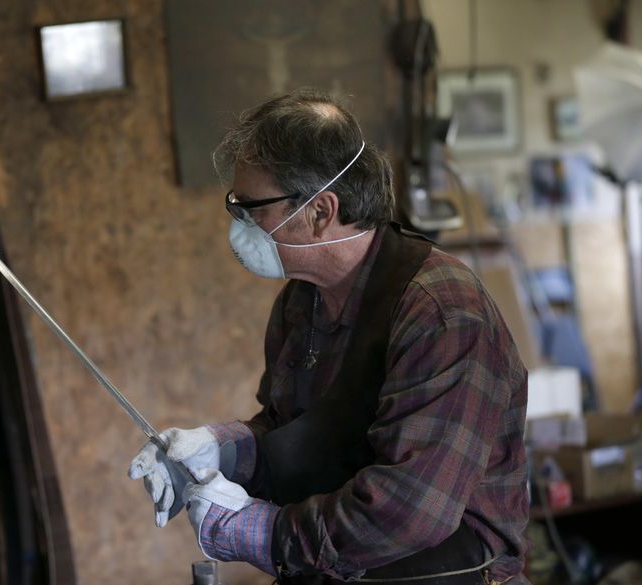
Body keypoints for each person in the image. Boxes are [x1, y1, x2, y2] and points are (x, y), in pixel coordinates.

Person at [129, 89, 529, 585]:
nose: (238, 224)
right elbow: (294, 432)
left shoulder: (442, 313)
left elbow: (412, 509)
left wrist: (265, 535)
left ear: (320, 212)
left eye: (251, 208)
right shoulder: (302, 301)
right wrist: (224, 449)